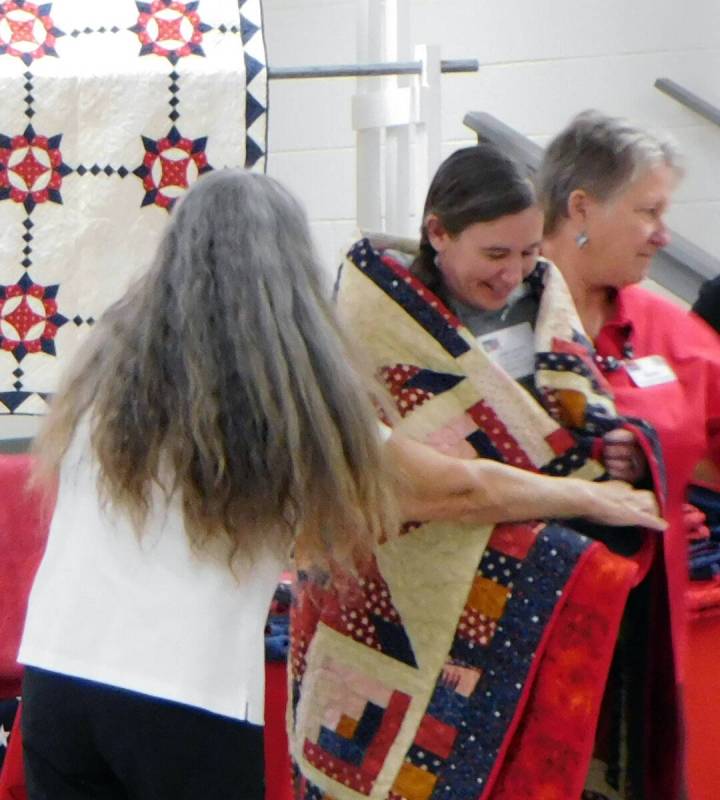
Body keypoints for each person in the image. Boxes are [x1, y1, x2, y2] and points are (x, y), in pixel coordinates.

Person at [17, 168, 662, 800]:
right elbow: (454, 489)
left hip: (55, 678)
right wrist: (587, 494)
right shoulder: (283, 401)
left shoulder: (107, 373)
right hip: (182, 696)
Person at [289, 145, 667, 800]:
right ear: (438, 233)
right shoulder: (373, 327)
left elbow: (578, 421)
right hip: (410, 584)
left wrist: (623, 451)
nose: (514, 274)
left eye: (527, 253)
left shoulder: (545, 303)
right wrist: (579, 495)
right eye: (496, 255)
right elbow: (402, 479)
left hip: (535, 590)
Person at [539, 109, 720, 800]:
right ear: (581, 206)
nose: (663, 234)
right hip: (509, 642)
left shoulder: (668, 331)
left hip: (634, 649)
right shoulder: (499, 314)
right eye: (648, 210)